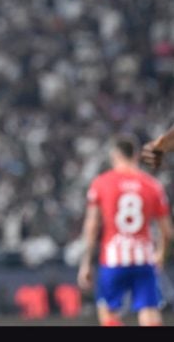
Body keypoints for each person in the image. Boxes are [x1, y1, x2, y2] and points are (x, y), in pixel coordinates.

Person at [77, 133, 173, 326]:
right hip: (144, 258)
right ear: (136, 155)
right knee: (149, 312)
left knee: (108, 312)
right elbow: (167, 231)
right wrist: (161, 254)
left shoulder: (102, 183)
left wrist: (86, 262)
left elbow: (92, 225)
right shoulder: (152, 186)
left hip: (113, 258)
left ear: (115, 155)